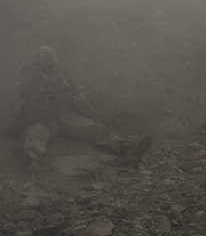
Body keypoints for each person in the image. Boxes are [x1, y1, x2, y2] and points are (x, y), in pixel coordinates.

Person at [10, 46, 153, 169]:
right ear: (36, 66)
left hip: (65, 117)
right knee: (36, 134)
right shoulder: (25, 83)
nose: (48, 69)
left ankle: (126, 148)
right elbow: (17, 106)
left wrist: (68, 96)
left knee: (93, 128)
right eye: (44, 66)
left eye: (51, 65)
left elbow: (81, 102)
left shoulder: (64, 80)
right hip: (42, 120)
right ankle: (29, 159)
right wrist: (42, 101)